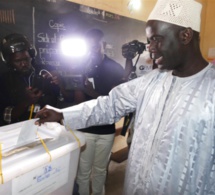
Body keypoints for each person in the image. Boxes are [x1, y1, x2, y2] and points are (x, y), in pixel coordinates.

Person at [35, 0, 215, 194]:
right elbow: (110, 105)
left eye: (156, 39)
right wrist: (63, 115)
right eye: (149, 41)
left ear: (185, 35)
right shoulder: (151, 81)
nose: (150, 48)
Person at [71, 28, 124, 195]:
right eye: (89, 47)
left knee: (101, 171)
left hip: (106, 129)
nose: (92, 50)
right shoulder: (80, 67)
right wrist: (80, 88)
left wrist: (91, 91)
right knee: (83, 173)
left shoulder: (115, 68)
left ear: (104, 45)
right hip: (85, 128)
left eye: (96, 46)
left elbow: (114, 103)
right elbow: (79, 102)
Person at [0, 33, 73, 125]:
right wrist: (26, 102)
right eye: (17, 61)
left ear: (31, 56)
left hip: (51, 128)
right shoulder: (4, 81)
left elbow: (70, 100)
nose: (23, 64)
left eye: (26, 59)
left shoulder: (47, 71)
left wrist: (61, 84)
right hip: (19, 131)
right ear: (9, 62)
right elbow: (6, 118)